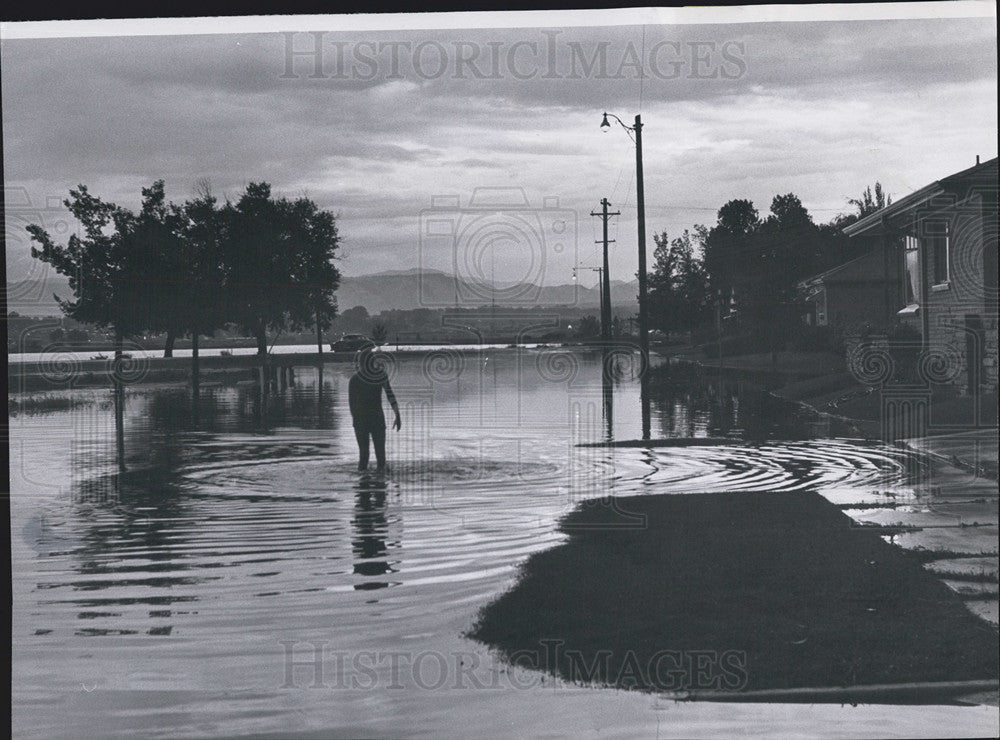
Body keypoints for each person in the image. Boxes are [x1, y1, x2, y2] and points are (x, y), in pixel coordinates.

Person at [348, 346, 401, 472]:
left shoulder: (355, 379)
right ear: (372, 362)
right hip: (376, 418)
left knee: (364, 456)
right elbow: (390, 395)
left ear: (360, 363)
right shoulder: (379, 376)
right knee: (380, 457)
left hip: (362, 419)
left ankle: (363, 486)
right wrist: (397, 415)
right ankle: (381, 486)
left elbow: (352, 405)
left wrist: (356, 421)